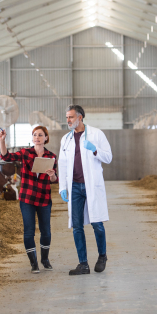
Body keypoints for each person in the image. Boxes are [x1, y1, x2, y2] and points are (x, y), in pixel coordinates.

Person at [58, 104, 112, 276]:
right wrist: (62, 187)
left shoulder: (96, 134)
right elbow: (62, 163)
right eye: (67, 117)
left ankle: (102, 256)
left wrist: (95, 149)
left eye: (71, 117)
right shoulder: (65, 139)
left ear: (80, 117)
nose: (68, 120)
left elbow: (109, 157)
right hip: (74, 187)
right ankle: (83, 264)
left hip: (91, 186)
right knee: (77, 226)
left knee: (97, 223)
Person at [0, 126, 58, 273]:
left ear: (46, 138)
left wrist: (52, 175)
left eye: (40, 135)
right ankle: (33, 263)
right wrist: (2, 141)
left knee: (46, 232)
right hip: (27, 198)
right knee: (29, 231)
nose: (37, 137)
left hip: (44, 198)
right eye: (35, 135)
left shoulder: (51, 156)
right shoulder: (25, 153)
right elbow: (6, 157)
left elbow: (54, 180)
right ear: (32, 138)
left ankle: (45, 259)